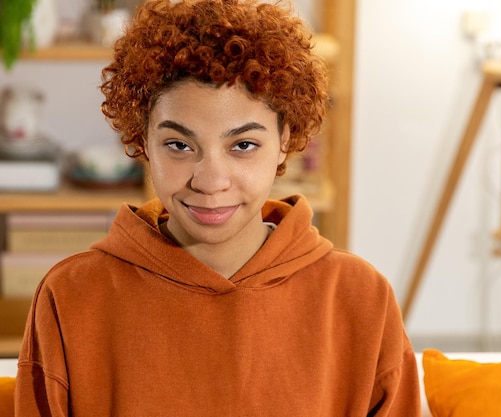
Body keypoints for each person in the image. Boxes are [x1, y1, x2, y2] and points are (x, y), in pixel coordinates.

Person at [15, 0, 420, 415]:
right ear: (143, 141)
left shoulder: (361, 299)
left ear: (284, 140)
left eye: (243, 145)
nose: (210, 181)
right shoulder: (70, 296)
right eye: (179, 145)